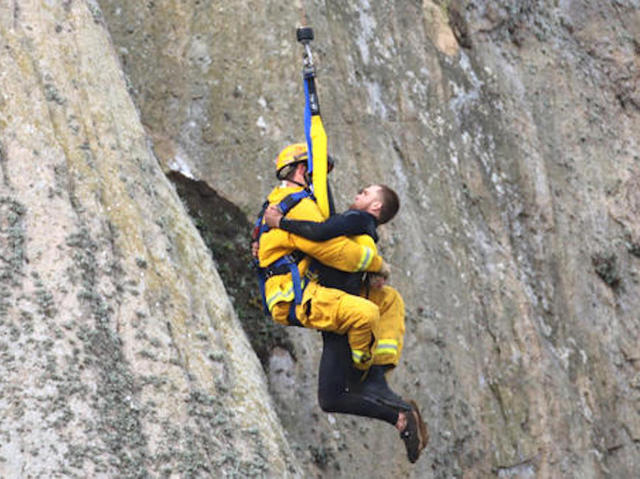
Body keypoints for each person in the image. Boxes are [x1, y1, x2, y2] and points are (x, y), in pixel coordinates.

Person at [254, 143, 428, 462]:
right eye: (319, 173)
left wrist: (375, 265)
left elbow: (342, 249)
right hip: (301, 296)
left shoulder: (295, 205)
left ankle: (385, 397)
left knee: (334, 391)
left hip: (323, 296)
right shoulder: (295, 207)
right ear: (305, 171)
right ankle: (373, 380)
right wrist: (378, 265)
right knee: (367, 315)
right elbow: (341, 254)